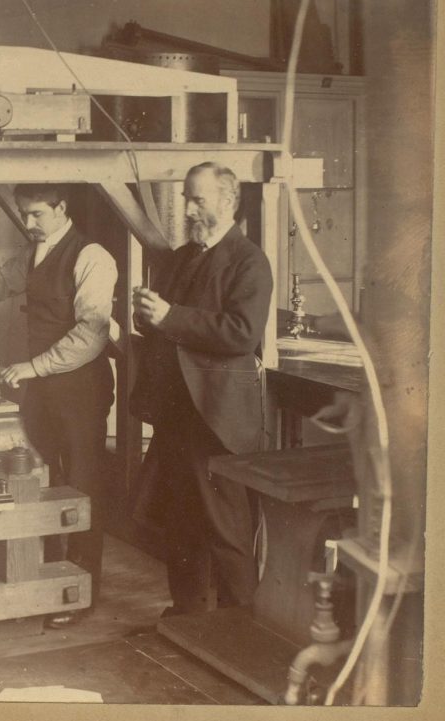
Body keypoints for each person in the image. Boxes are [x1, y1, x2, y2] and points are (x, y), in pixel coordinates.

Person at [0, 183, 118, 628]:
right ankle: (50, 578)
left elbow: (92, 333)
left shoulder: (93, 257)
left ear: (61, 209)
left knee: (83, 486)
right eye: (24, 214)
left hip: (80, 388)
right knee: (46, 480)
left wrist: (34, 366)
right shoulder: (34, 252)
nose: (28, 224)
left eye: (35, 215)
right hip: (43, 390)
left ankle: (80, 591)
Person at [131, 162, 273, 616]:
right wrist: (146, 314)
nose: (189, 208)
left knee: (226, 527)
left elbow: (241, 333)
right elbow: (168, 324)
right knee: (181, 523)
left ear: (228, 201)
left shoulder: (249, 260)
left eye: (198, 199)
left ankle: (240, 627)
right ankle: (188, 617)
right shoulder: (180, 257)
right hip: (178, 413)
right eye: (186, 198)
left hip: (217, 419)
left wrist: (169, 316)